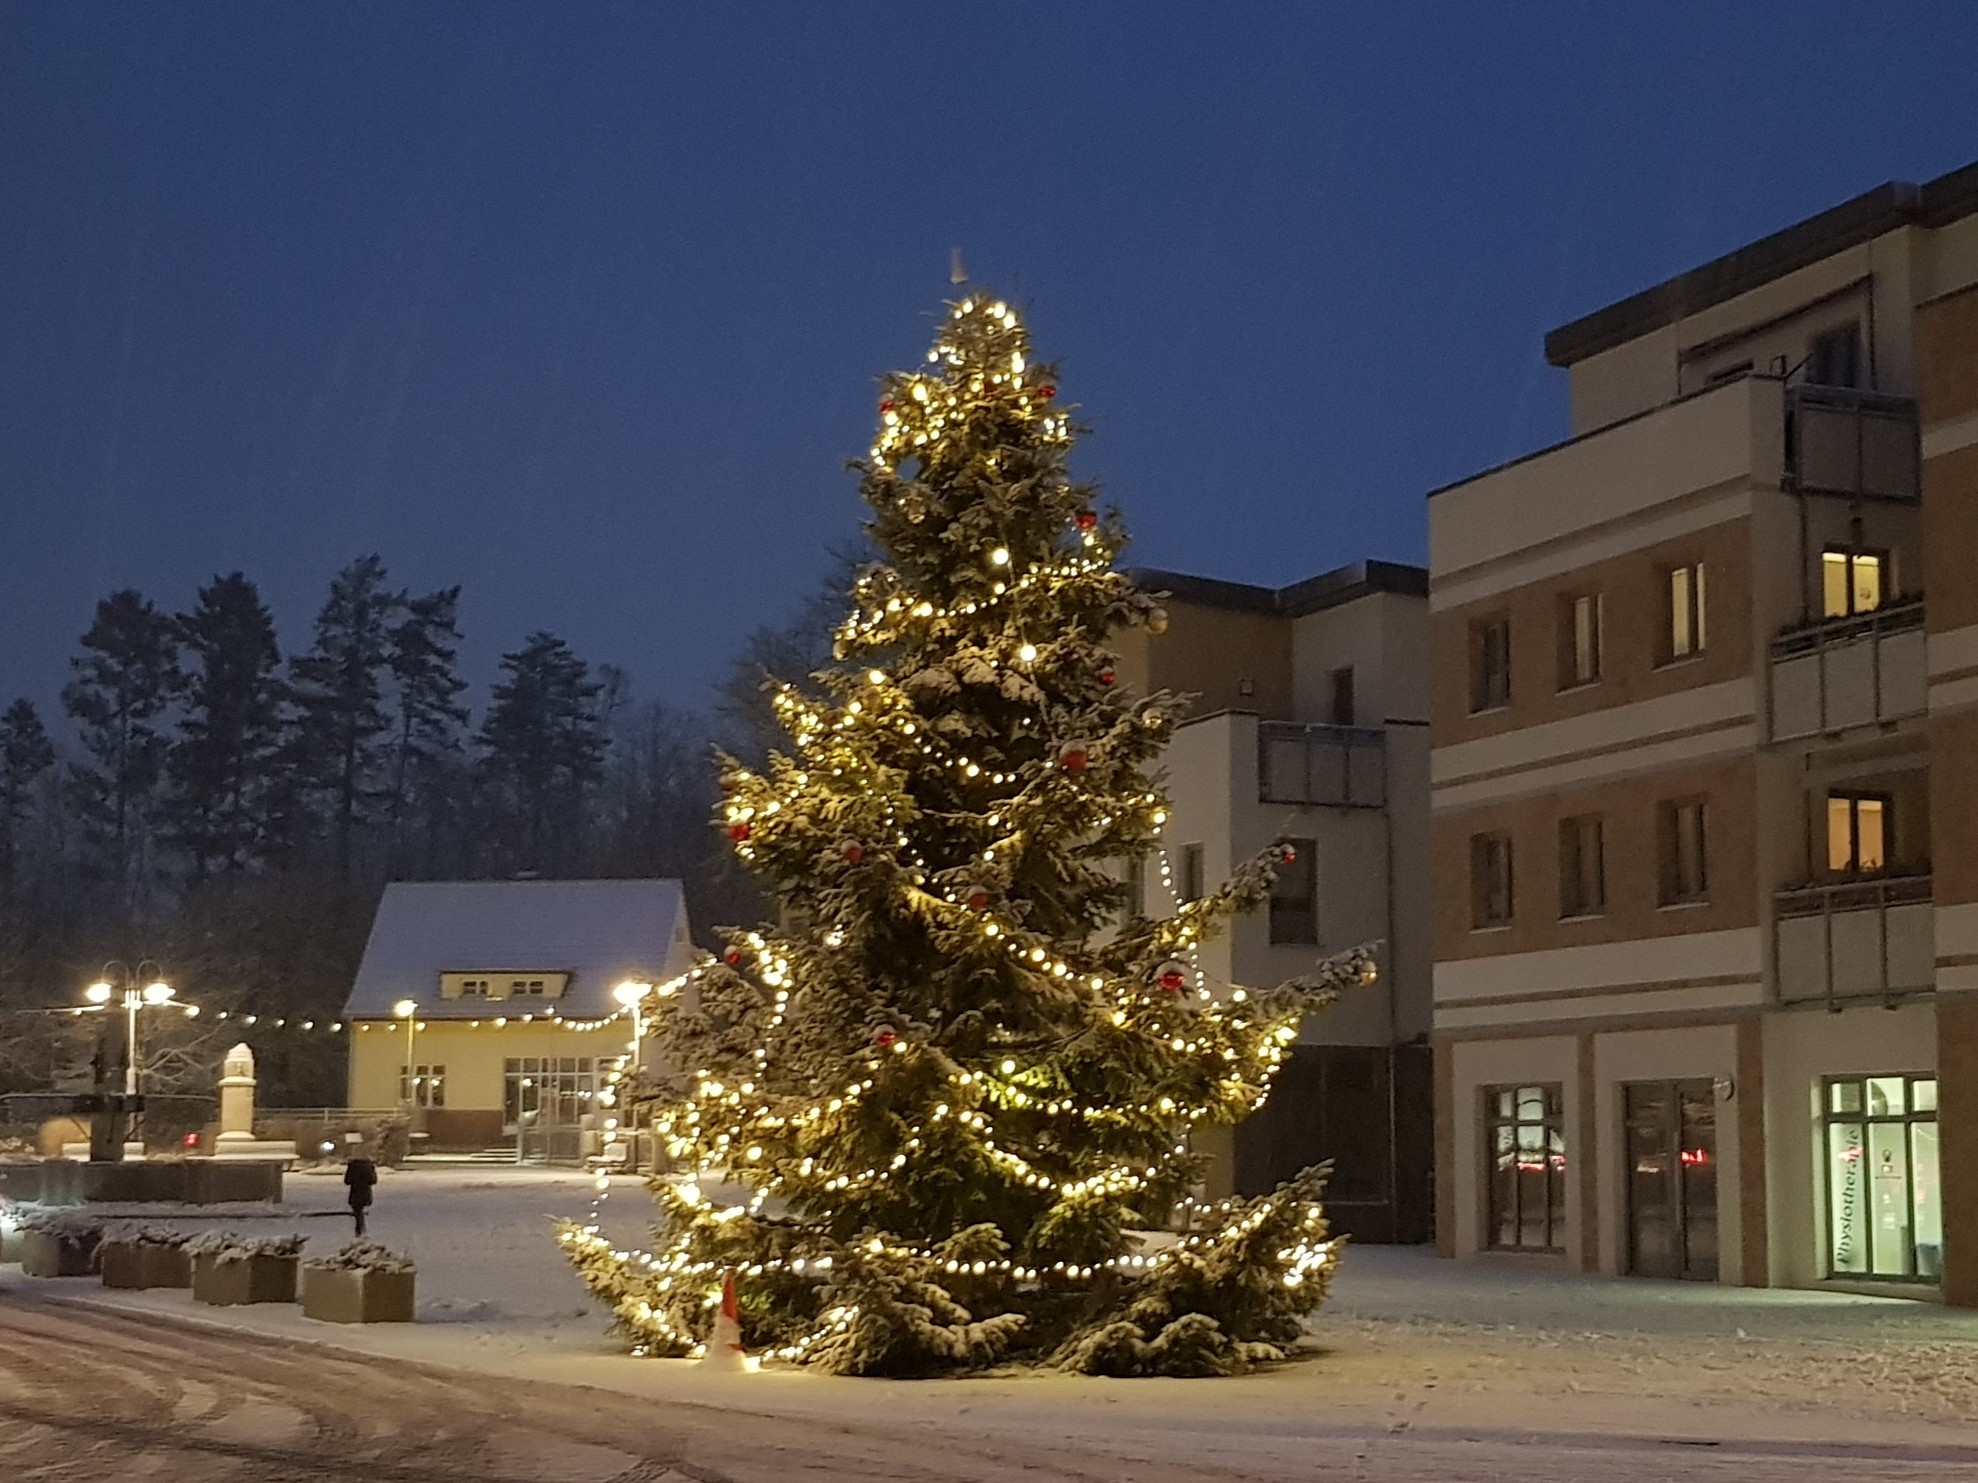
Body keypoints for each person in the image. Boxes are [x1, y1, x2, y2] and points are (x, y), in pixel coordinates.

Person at [343, 1152, 378, 1236]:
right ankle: (360, 1227)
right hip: (365, 1191)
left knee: (357, 1209)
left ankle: (359, 1228)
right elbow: (373, 1180)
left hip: (355, 1191)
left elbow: (347, 1181)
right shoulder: (369, 1166)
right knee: (359, 1209)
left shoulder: (352, 1167)